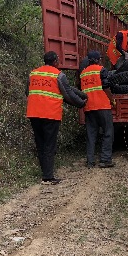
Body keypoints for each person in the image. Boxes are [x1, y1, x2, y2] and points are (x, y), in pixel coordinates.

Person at [26, 51, 88, 185]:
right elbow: (69, 95)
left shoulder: (33, 74)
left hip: (34, 113)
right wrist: (82, 103)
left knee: (40, 143)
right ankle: (48, 177)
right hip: (50, 114)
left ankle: (45, 172)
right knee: (49, 144)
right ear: (55, 61)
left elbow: (28, 92)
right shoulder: (58, 75)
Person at [80, 51, 116, 168]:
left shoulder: (83, 73)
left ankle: (90, 161)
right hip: (102, 106)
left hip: (89, 107)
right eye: (99, 59)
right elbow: (106, 87)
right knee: (108, 132)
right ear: (96, 60)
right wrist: (112, 99)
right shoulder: (101, 70)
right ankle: (105, 160)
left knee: (91, 134)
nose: (100, 60)